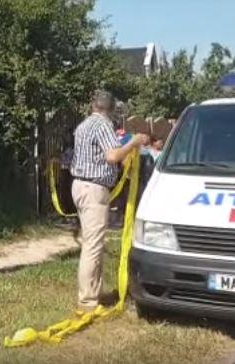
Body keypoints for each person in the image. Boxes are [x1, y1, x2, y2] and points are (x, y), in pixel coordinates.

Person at [70, 90, 148, 313]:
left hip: (80, 185)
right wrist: (133, 142)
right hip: (94, 188)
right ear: (111, 109)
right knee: (93, 246)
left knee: (91, 242)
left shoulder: (83, 125)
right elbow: (113, 156)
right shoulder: (103, 125)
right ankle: (87, 302)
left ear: (93, 105)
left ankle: (95, 293)